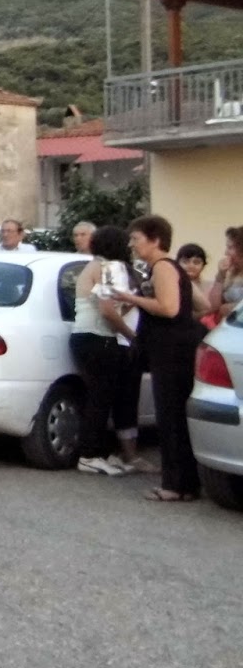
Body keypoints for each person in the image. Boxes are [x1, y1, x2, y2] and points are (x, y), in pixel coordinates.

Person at [114, 215, 207, 503]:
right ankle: (186, 484)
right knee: (175, 414)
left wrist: (131, 298)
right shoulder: (171, 268)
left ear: (155, 240)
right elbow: (203, 305)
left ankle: (175, 485)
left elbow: (168, 308)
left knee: (170, 415)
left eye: (136, 239)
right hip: (176, 348)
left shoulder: (163, 267)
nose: (132, 245)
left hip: (170, 351)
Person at [69, 226, 149, 476]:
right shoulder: (107, 268)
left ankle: (100, 452)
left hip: (86, 336)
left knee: (101, 397)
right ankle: (89, 456)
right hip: (98, 338)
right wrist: (131, 335)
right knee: (99, 399)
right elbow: (107, 310)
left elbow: (111, 305)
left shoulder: (94, 266)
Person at [206, 227, 243, 321]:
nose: (226, 253)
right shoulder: (231, 272)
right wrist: (220, 276)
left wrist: (232, 308)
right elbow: (212, 306)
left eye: (230, 247)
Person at [176, 244, 212, 325]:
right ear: (177, 263)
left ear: (203, 265)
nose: (191, 266)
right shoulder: (174, 286)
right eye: (185, 262)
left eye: (196, 262)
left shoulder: (209, 286)